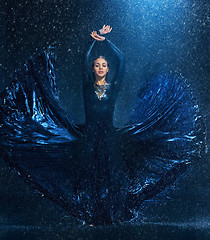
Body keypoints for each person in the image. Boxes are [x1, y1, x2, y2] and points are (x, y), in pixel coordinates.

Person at [0, 25, 206, 226]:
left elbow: (122, 60)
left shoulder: (113, 87)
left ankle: (111, 213)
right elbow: (84, 58)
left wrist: (107, 42)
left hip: (109, 137)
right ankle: (92, 215)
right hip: (89, 137)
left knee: (110, 176)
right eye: (97, 65)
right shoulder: (87, 85)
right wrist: (93, 41)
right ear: (93, 69)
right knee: (91, 176)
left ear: (108, 69)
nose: (100, 67)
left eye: (103, 65)